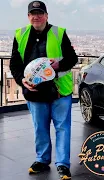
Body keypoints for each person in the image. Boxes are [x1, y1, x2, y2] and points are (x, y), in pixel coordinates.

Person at [9, 1, 78, 179]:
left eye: (40, 13)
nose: (36, 16)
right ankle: (42, 160)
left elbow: (72, 58)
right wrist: (21, 81)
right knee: (40, 127)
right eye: (33, 13)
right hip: (34, 92)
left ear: (47, 16)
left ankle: (63, 164)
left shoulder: (59, 33)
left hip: (59, 90)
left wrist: (59, 64)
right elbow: (15, 64)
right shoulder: (20, 35)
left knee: (63, 128)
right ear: (28, 17)